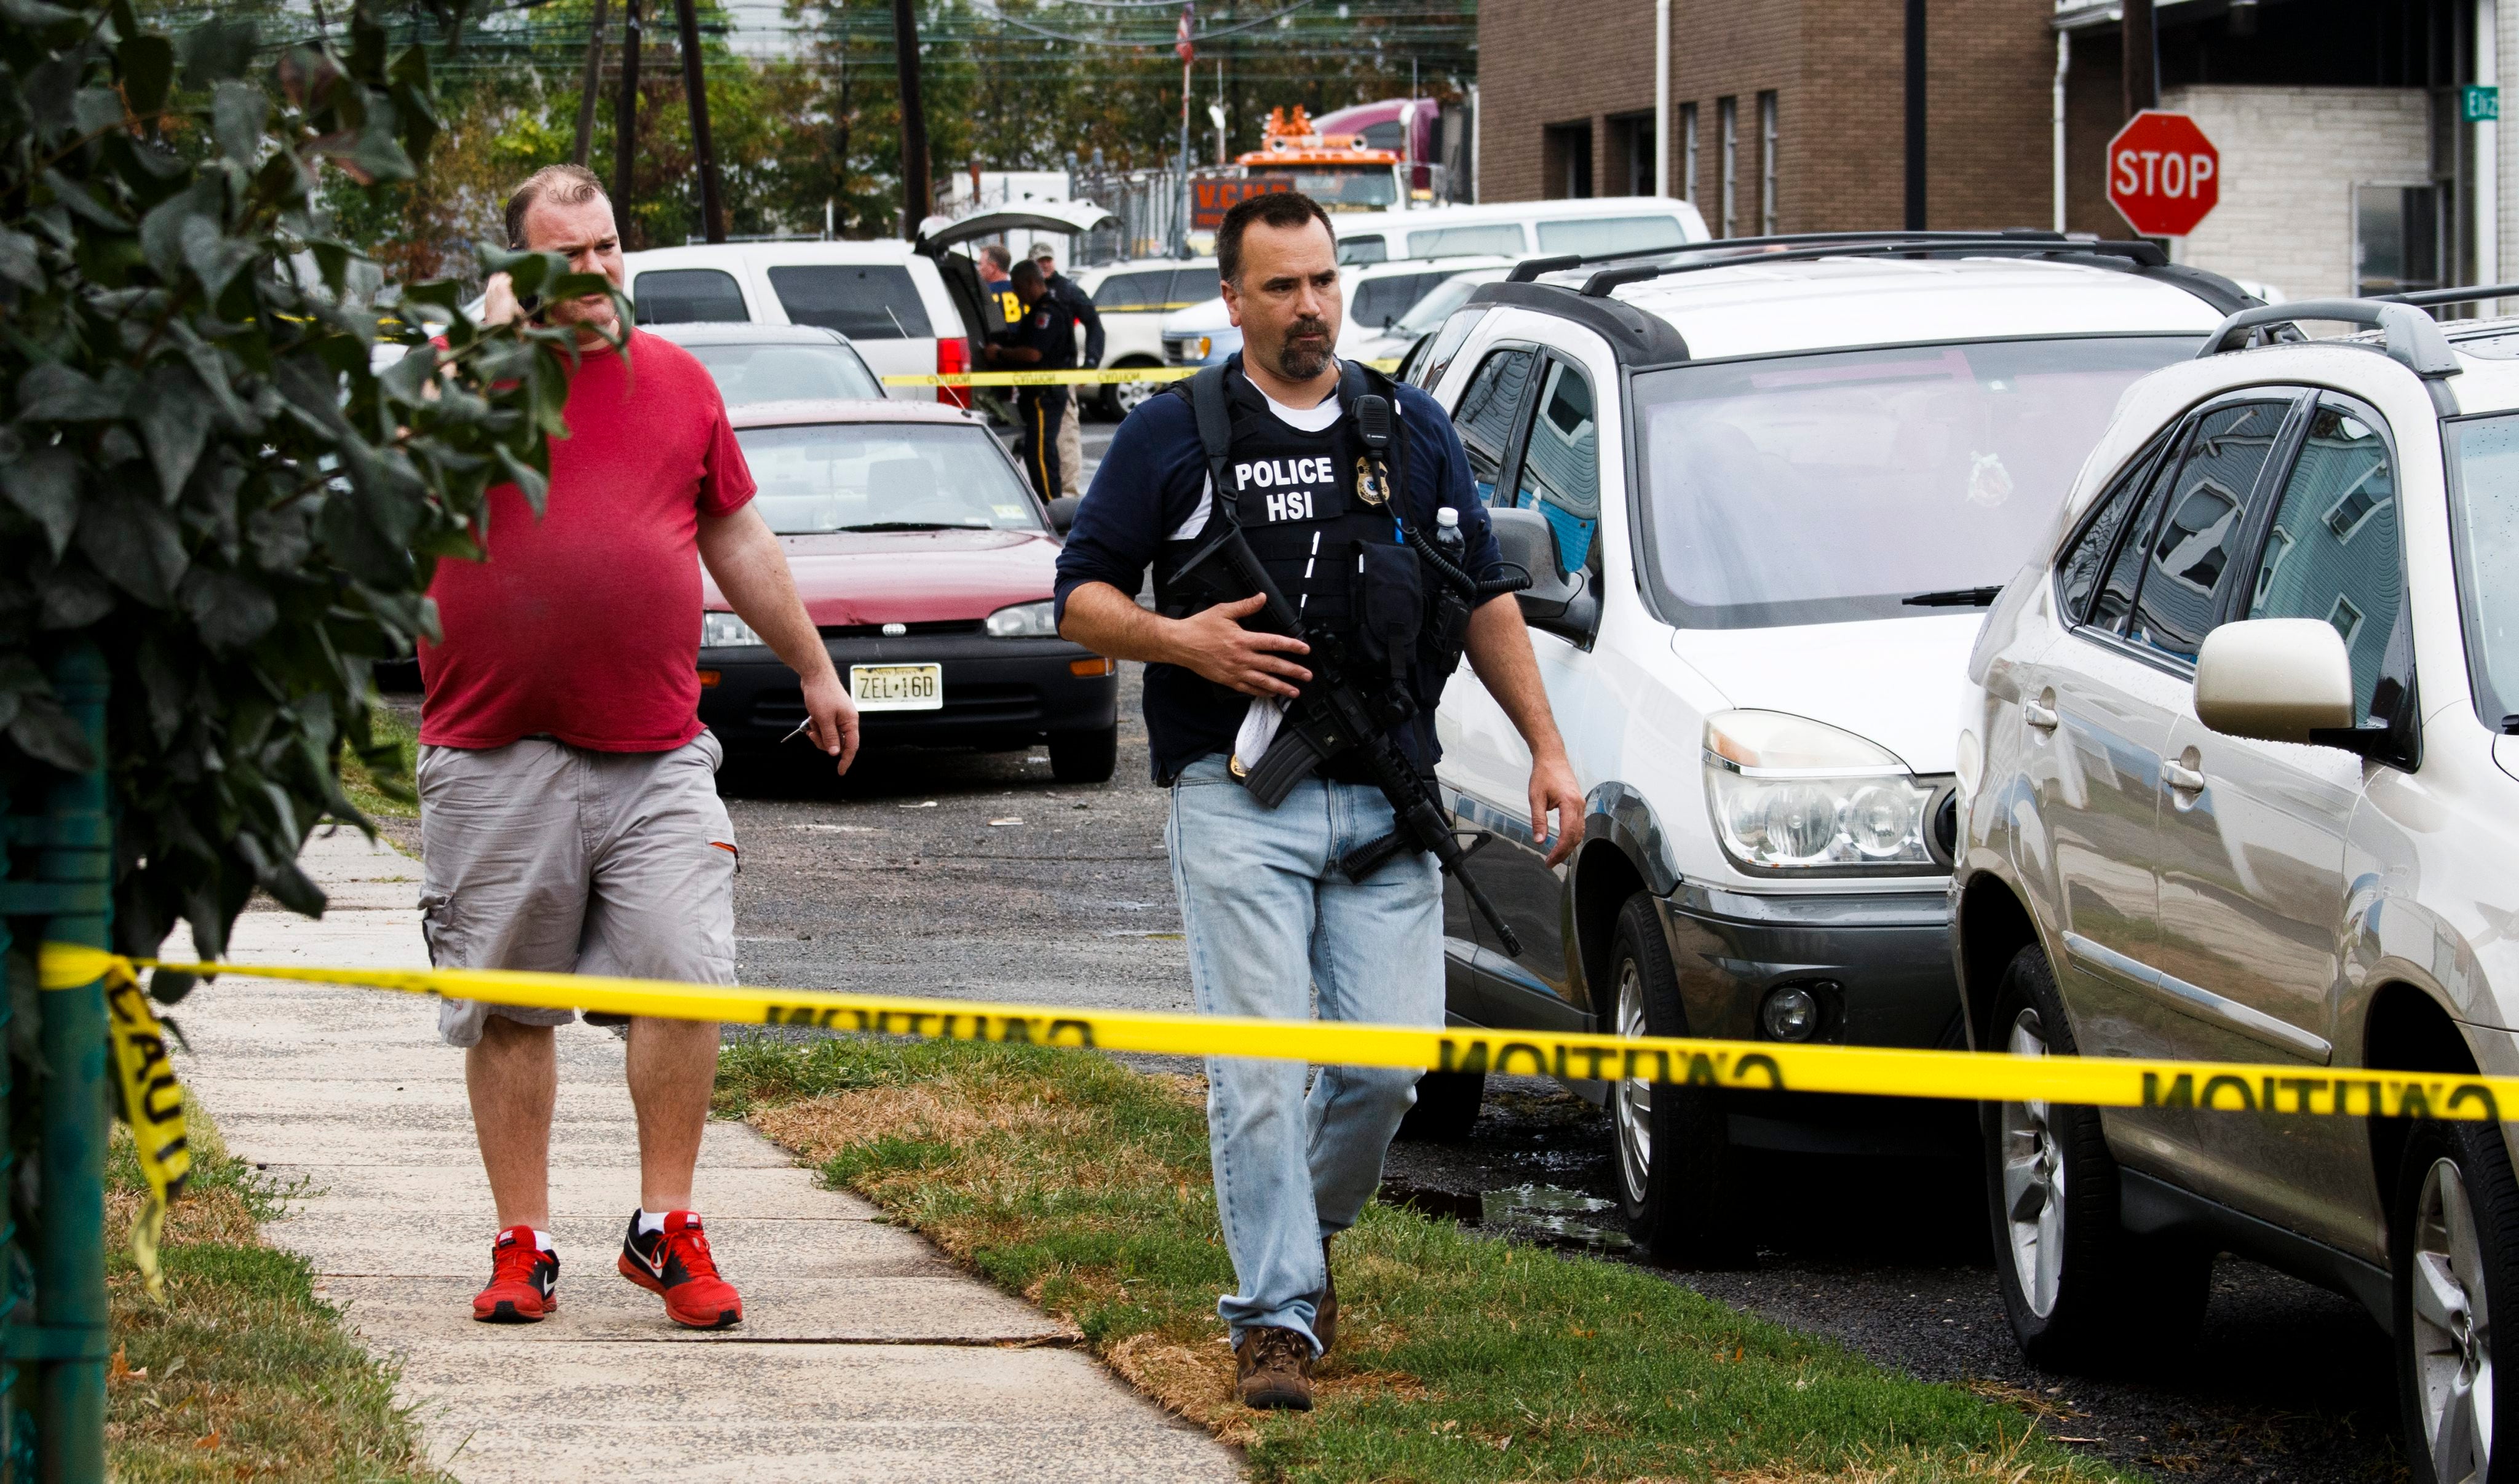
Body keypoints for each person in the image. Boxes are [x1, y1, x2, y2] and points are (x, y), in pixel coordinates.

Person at [1052, 191, 1583, 1411]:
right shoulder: (1171, 434)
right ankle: (1274, 1320)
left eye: (1324, 282)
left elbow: (1484, 596)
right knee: (1254, 1071)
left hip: (1386, 797)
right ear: (1231, 300)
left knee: (1388, 1068)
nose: (1309, 308)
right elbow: (1079, 598)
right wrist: (1183, 644)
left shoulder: (1409, 430)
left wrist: (1546, 750)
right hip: (1237, 795)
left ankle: (1301, 1225)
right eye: (1282, 287)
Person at [419, 164, 860, 1331]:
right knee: (511, 1006)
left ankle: (665, 1225)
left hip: (658, 748)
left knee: (687, 976)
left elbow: (737, 533)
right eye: (563, 257)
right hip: (492, 748)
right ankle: (524, 1243)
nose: (596, 274)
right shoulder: (459, 390)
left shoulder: (676, 383)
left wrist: (815, 664)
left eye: (607, 248)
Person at [988, 258, 1078, 501]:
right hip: (1039, 394)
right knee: (1038, 452)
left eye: (1017, 288)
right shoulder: (1039, 312)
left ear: (1030, 283)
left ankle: (1052, 506)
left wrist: (999, 354)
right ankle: (1050, 504)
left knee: (1039, 454)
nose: (1016, 295)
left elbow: (1033, 353)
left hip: (1044, 395)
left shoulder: (1047, 313)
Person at [1031, 242, 1101, 489]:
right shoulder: (1021, 290)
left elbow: (1094, 323)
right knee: (1031, 440)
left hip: (1061, 377)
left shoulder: (1067, 290)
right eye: (1039, 262)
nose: (1045, 265)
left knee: (1066, 437)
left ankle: (1068, 496)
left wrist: (1090, 363)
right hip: (1026, 378)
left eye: (1048, 260)